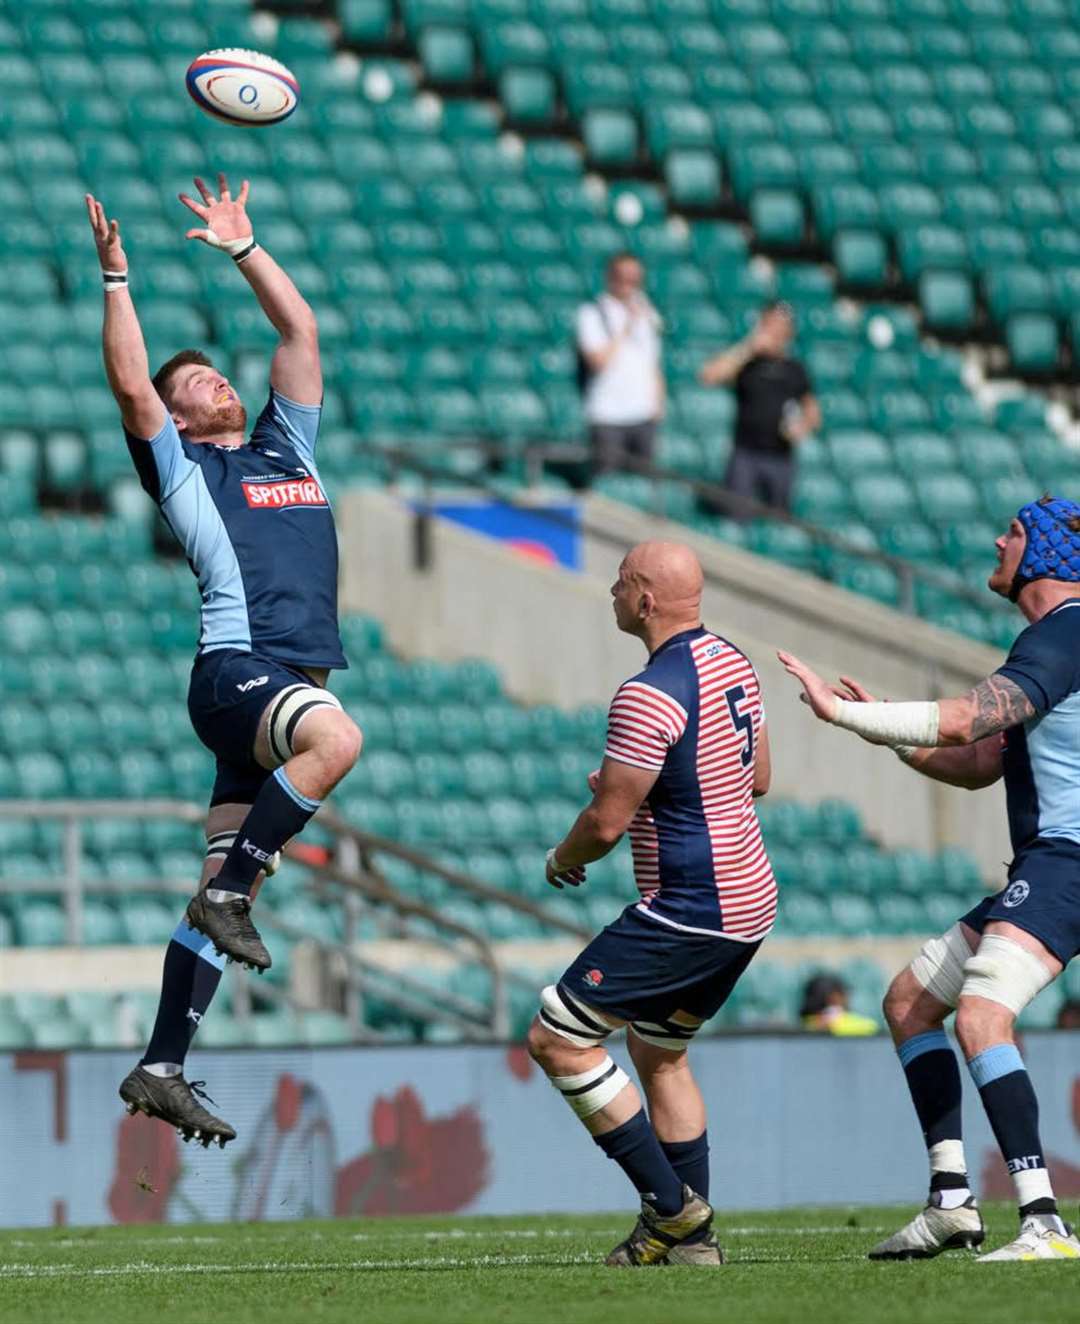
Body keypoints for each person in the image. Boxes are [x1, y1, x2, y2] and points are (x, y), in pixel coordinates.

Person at [87, 176, 362, 1147]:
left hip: (275, 693)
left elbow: (300, 335)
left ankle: (162, 1062)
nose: (216, 381)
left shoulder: (289, 448)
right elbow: (129, 386)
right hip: (238, 675)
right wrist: (119, 277)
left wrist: (247, 248)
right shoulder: (186, 472)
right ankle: (230, 888)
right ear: (177, 416)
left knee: (222, 887)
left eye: (214, 374)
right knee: (339, 739)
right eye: (195, 381)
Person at [779, 496, 1080, 1263]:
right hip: (1052, 862)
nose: (996, 540)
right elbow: (981, 761)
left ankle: (1043, 1220)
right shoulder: (1052, 643)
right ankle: (951, 1201)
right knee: (910, 1002)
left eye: (1013, 532)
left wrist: (845, 718)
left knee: (981, 1015)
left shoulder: (1066, 634)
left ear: (1046, 552)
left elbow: (960, 720)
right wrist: (886, 729)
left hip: (1069, 862)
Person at [526, 540, 775, 1267]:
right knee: (659, 1052)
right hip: (750, 901)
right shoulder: (735, 662)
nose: (610, 591)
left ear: (643, 598)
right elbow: (756, 778)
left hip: (693, 904)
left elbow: (604, 826)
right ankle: (694, 1247)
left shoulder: (649, 691)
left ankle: (670, 1210)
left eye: (619, 582)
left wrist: (563, 857)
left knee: (557, 1036)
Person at [699, 302, 820, 517]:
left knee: (779, 517)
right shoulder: (747, 363)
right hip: (745, 453)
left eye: (778, 327)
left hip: (780, 456)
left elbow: (812, 411)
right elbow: (709, 376)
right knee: (736, 513)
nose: (772, 333)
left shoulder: (795, 369)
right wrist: (748, 347)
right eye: (768, 325)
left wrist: (801, 428)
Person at [575, 252, 665, 486]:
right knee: (608, 484)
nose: (629, 284)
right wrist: (626, 326)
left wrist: (658, 403)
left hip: (643, 415)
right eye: (623, 277)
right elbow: (598, 361)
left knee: (646, 485)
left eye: (635, 278)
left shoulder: (648, 312)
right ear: (610, 277)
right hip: (608, 414)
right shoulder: (592, 312)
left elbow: (652, 362)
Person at [799, 973, 878, 1036]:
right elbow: (873, 1028)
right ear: (834, 997)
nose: (847, 998)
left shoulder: (801, 1027)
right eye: (844, 994)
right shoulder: (864, 1026)